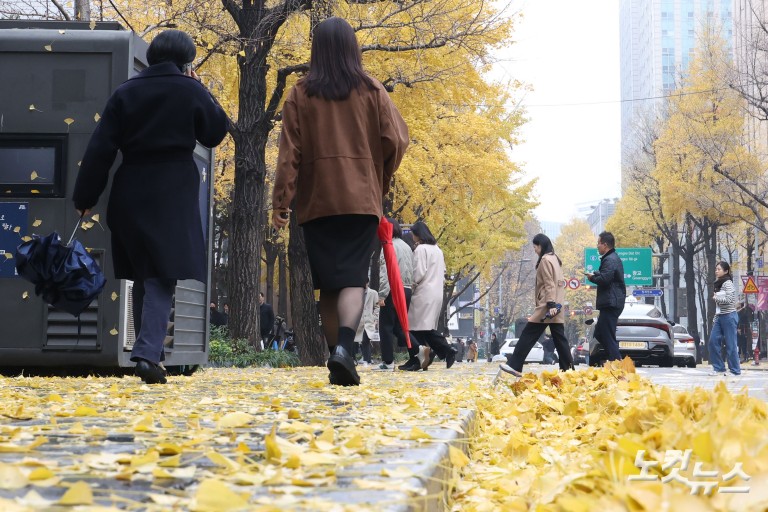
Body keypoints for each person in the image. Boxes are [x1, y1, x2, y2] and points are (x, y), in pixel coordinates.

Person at [72, 30, 228, 384]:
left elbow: (101, 149)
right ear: (185, 60)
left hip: (130, 189)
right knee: (161, 274)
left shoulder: (126, 92)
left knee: (146, 273)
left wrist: (86, 198)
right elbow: (214, 132)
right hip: (171, 191)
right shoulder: (190, 90)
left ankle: (150, 354)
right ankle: (146, 353)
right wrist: (203, 89)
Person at [271, 17, 409, 386]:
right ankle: (344, 350)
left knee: (329, 283)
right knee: (352, 278)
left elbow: (290, 153)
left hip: (317, 200)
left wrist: (281, 200)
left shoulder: (301, 93)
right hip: (361, 198)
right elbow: (395, 139)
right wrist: (378, 172)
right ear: (353, 48)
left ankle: (338, 354)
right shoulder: (371, 90)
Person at [505, 233, 574, 374]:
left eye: (535, 247)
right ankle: (568, 370)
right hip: (557, 305)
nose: (535, 250)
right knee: (560, 340)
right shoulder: (555, 259)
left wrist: (550, 304)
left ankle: (514, 365)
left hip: (547, 306)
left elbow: (549, 283)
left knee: (527, 335)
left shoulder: (545, 260)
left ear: (541, 246)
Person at [407, 221, 457, 370]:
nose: (412, 237)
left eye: (413, 234)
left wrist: (411, 285)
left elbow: (418, 272)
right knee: (423, 327)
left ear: (418, 234)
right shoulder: (437, 250)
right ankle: (425, 358)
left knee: (415, 327)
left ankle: (445, 350)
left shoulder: (421, 249)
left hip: (423, 291)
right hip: (436, 292)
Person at [377, 218, 416, 371]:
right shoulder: (407, 246)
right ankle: (419, 349)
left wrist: (382, 294)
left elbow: (385, 272)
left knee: (385, 326)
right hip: (406, 288)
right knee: (400, 326)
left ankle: (388, 362)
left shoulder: (388, 245)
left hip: (393, 288)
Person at [585, 231, 626, 362]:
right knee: (600, 333)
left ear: (605, 244)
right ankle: (614, 359)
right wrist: (597, 273)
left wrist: (592, 277)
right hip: (610, 302)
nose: (597, 246)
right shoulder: (611, 258)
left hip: (611, 302)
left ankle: (617, 362)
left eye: (599, 243)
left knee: (606, 334)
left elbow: (605, 279)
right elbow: (607, 275)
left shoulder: (610, 259)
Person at [708, 261, 740, 376]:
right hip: (720, 316)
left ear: (726, 271)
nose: (716, 271)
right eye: (716, 269)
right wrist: (716, 317)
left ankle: (735, 370)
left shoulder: (728, 283)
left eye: (719, 269)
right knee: (712, 341)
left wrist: (716, 298)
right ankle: (719, 368)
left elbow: (730, 300)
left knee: (731, 344)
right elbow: (719, 305)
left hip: (729, 316)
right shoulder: (718, 283)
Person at [354, 280, 379, 365]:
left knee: (365, 340)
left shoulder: (373, 293)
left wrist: (374, 318)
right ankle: (353, 359)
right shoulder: (356, 293)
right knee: (354, 340)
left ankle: (367, 360)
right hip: (358, 321)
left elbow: (377, 306)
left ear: (367, 282)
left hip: (368, 321)